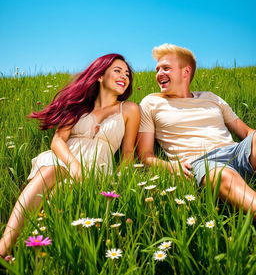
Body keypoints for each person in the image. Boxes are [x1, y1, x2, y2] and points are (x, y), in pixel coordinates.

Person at [0, 53, 140, 259]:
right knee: (50, 170)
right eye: (117, 71)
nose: (124, 76)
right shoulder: (79, 105)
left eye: (127, 73)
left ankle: (26, 254)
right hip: (66, 158)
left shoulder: (129, 109)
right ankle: (4, 246)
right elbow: (58, 140)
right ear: (100, 75)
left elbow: (128, 152)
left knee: (56, 204)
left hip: (98, 168)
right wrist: (74, 165)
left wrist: (119, 180)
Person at [137, 43, 256, 215]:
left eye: (166, 68)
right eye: (157, 69)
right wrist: (172, 167)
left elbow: (246, 132)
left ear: (186, 71)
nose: (158, 74)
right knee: (222, 177)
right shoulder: (151, 102)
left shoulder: (211, 97)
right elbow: (145, 155)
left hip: (236, 151)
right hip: (201, 162)